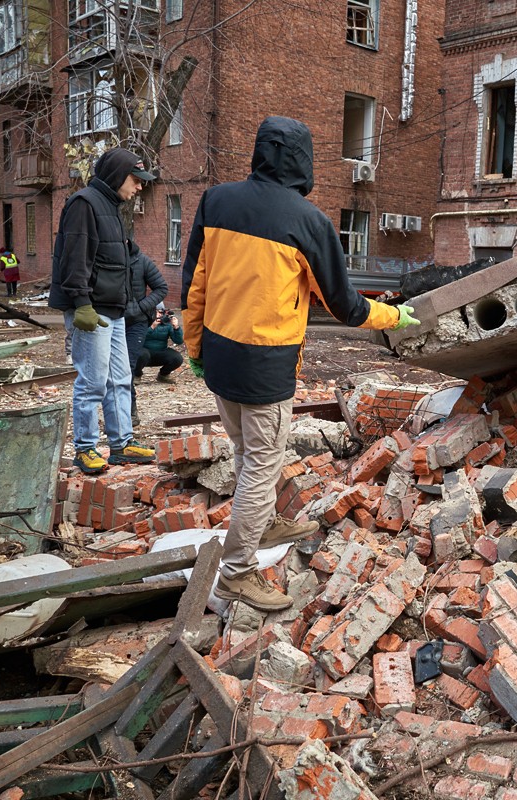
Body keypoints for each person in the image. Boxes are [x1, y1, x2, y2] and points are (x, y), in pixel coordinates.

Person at [182, 116, 419, 611]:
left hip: (220, 359)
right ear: (304, 160)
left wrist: (195, 347)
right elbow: (346, 306)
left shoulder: (216, 200)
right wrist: (393, 316)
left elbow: (195, 281)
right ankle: (238, 573)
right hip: (265, 369)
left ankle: (262, 521)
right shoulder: (307, 222)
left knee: (247, 453)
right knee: (258, 468)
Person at [49, 147, 158, 475]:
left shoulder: (112, 207)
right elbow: (74, 258)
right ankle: (84, 449)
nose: (139, 187)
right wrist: (81, 303)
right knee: (93, 380)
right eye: (136, 180)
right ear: (117, 175)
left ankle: (121, 445)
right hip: (91, 310)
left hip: (113, 310)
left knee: (120, 379)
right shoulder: (84, 204)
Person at [123, 240, 168, 423]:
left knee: (127, 365)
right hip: (110, 319)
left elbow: (161, 287)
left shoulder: (142, 261)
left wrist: (141, 307)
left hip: (136, 322)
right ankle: (117, 412)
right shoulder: (103, 258)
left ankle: (130, 412)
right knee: (110, 368)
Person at [138, 305, 185, 383]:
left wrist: (176, 327)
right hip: (144, 351)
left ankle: (163, 375)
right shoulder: (143, 321)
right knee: (141, 354)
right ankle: (137, 375)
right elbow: (139, 337)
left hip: (160, 351)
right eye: (156, 312)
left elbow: (179, 341)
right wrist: (152, 327)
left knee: (177, 358)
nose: (158, 315)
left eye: (160, 312)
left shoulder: (167, 324)